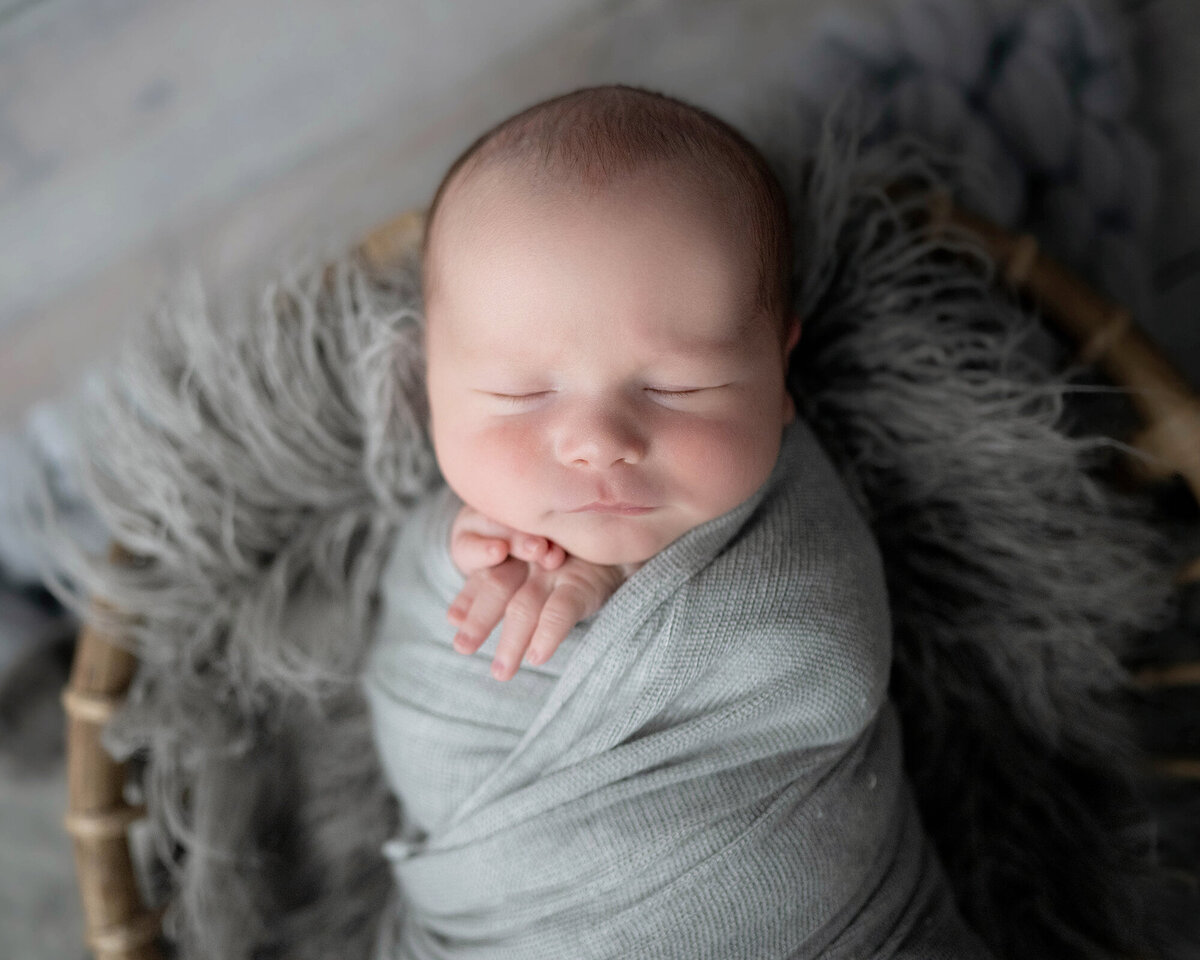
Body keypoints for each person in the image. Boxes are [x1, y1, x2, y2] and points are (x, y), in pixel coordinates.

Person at [362, 84, 993, 959]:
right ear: (428, 381)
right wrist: (455, 560)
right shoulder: (455, 534)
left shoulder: (793, 543)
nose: (598, 442)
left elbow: (825, 657)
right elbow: (422, 689)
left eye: (675, 388)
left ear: (779, 375)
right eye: (519, 394)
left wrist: (619, 583)